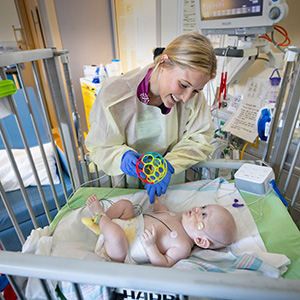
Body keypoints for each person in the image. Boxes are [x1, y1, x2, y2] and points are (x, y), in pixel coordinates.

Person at [85, 32, 217, 203]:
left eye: (196, 90)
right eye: (183, 85)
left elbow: (199, 139)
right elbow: (100, 145)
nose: (186, 98)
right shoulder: (115, 94)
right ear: (164, 63)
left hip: (168, 185)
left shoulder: (193, 98)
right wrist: (122, 157)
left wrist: (169, 165)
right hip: (126, 185)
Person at [82, 194, 237, 268]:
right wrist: (156, 202)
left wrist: (151, 247)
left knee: (116, 235)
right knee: (126, 205)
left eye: (203, 215)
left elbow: (164, 264)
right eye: (203, 207)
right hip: (126, 223)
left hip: (122, 250)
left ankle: (99, 215)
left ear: (201, 240)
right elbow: (162, 213)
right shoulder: (178, 216)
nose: (197, 209)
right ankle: (102, 225)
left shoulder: (183, 246)